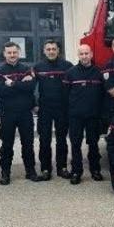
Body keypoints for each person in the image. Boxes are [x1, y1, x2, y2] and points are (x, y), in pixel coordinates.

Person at [0, 41, 38, 184]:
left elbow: (31, 87)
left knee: (28, 144)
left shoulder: (26, 68)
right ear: (4, 54)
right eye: (9, 52)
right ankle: (5, 172)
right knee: (7, 144)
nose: (12, 55)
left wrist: (12, 83)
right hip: (8, 113)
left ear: (19, 53)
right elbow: (2, 91)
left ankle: (30, 171)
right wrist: (21, 84)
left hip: (25, 113)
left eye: (14, 52)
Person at [64, 44, 105, 185]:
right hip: (75, 116)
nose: (84, 56)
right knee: (75, 144)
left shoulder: (99, 73)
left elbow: (103, 95)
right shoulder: (70, 73)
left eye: (87, 53)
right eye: (81, 54)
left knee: (93, 144)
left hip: (93, 115)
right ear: (78, 55)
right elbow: (65, 95)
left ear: (91, 54)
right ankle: (76, 171)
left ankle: (95, 170)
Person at [34, 39, 74, 180]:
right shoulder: (38, 67)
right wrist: (34, 104)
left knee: (61, 139)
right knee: (44, 140)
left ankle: (62, 168)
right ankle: (45, 169)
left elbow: (73, 87)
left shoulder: (67, 66)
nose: (51, 51)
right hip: (44, 109)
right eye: (48, 49)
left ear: (58, 50)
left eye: (54, 49)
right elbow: (30, 87)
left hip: (62, 108)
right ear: (44, 51)